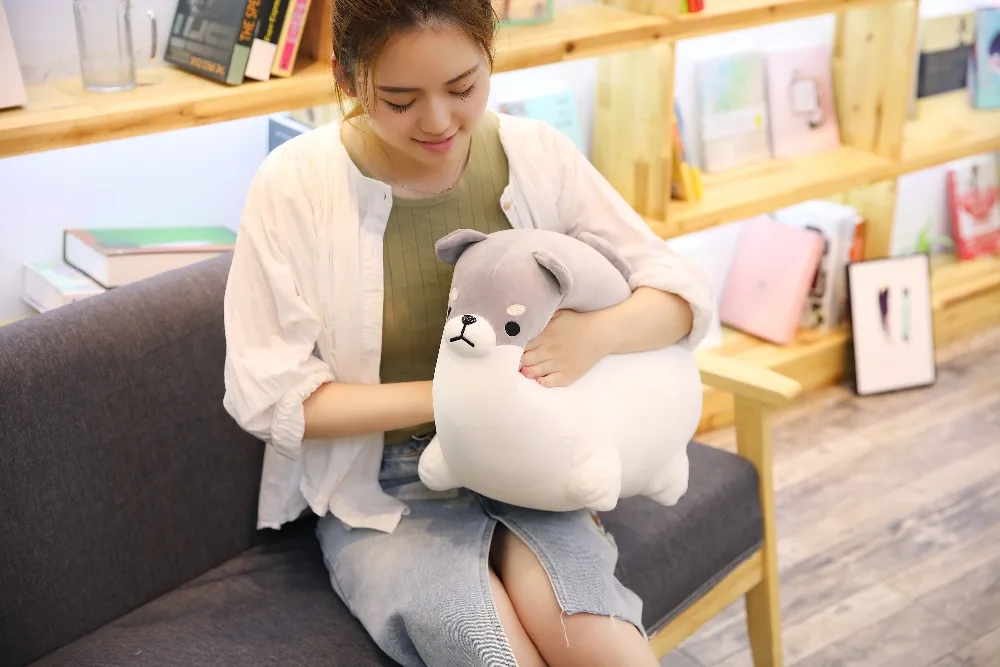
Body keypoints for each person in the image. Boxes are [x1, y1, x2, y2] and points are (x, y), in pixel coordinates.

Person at [222, 1, 714, 665]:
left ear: (489, 57)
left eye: (462, 88)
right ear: (345, 78)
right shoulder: (294, 186)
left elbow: (680, 296)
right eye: (399, 100)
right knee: (492, 653)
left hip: (534, 457)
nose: (438, 121)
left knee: (604, 645)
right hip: (386, 485)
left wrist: (596, 335)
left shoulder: (534, 155)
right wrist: (458, 399)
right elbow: (274, 399)